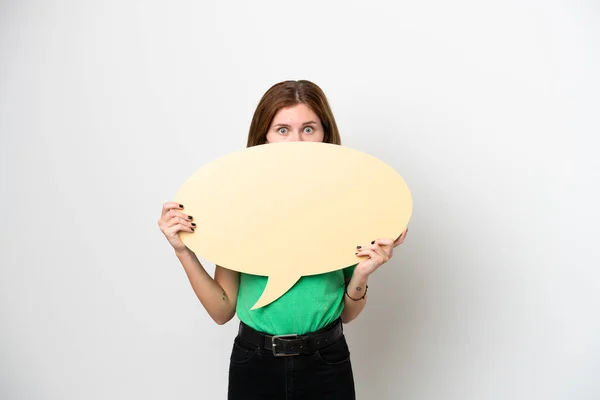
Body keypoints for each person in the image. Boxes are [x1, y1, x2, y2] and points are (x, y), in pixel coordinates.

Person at [158, 80, 408, 399]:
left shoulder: (346, 204)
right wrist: (184, 252)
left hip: (326, 360)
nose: (296, 140)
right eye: (282, 129)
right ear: (265, 135)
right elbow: (222, 311)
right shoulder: (240, 206)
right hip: (255, 363)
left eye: (308, 128)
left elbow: (347, 314)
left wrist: (361, 274)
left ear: (324, 135)